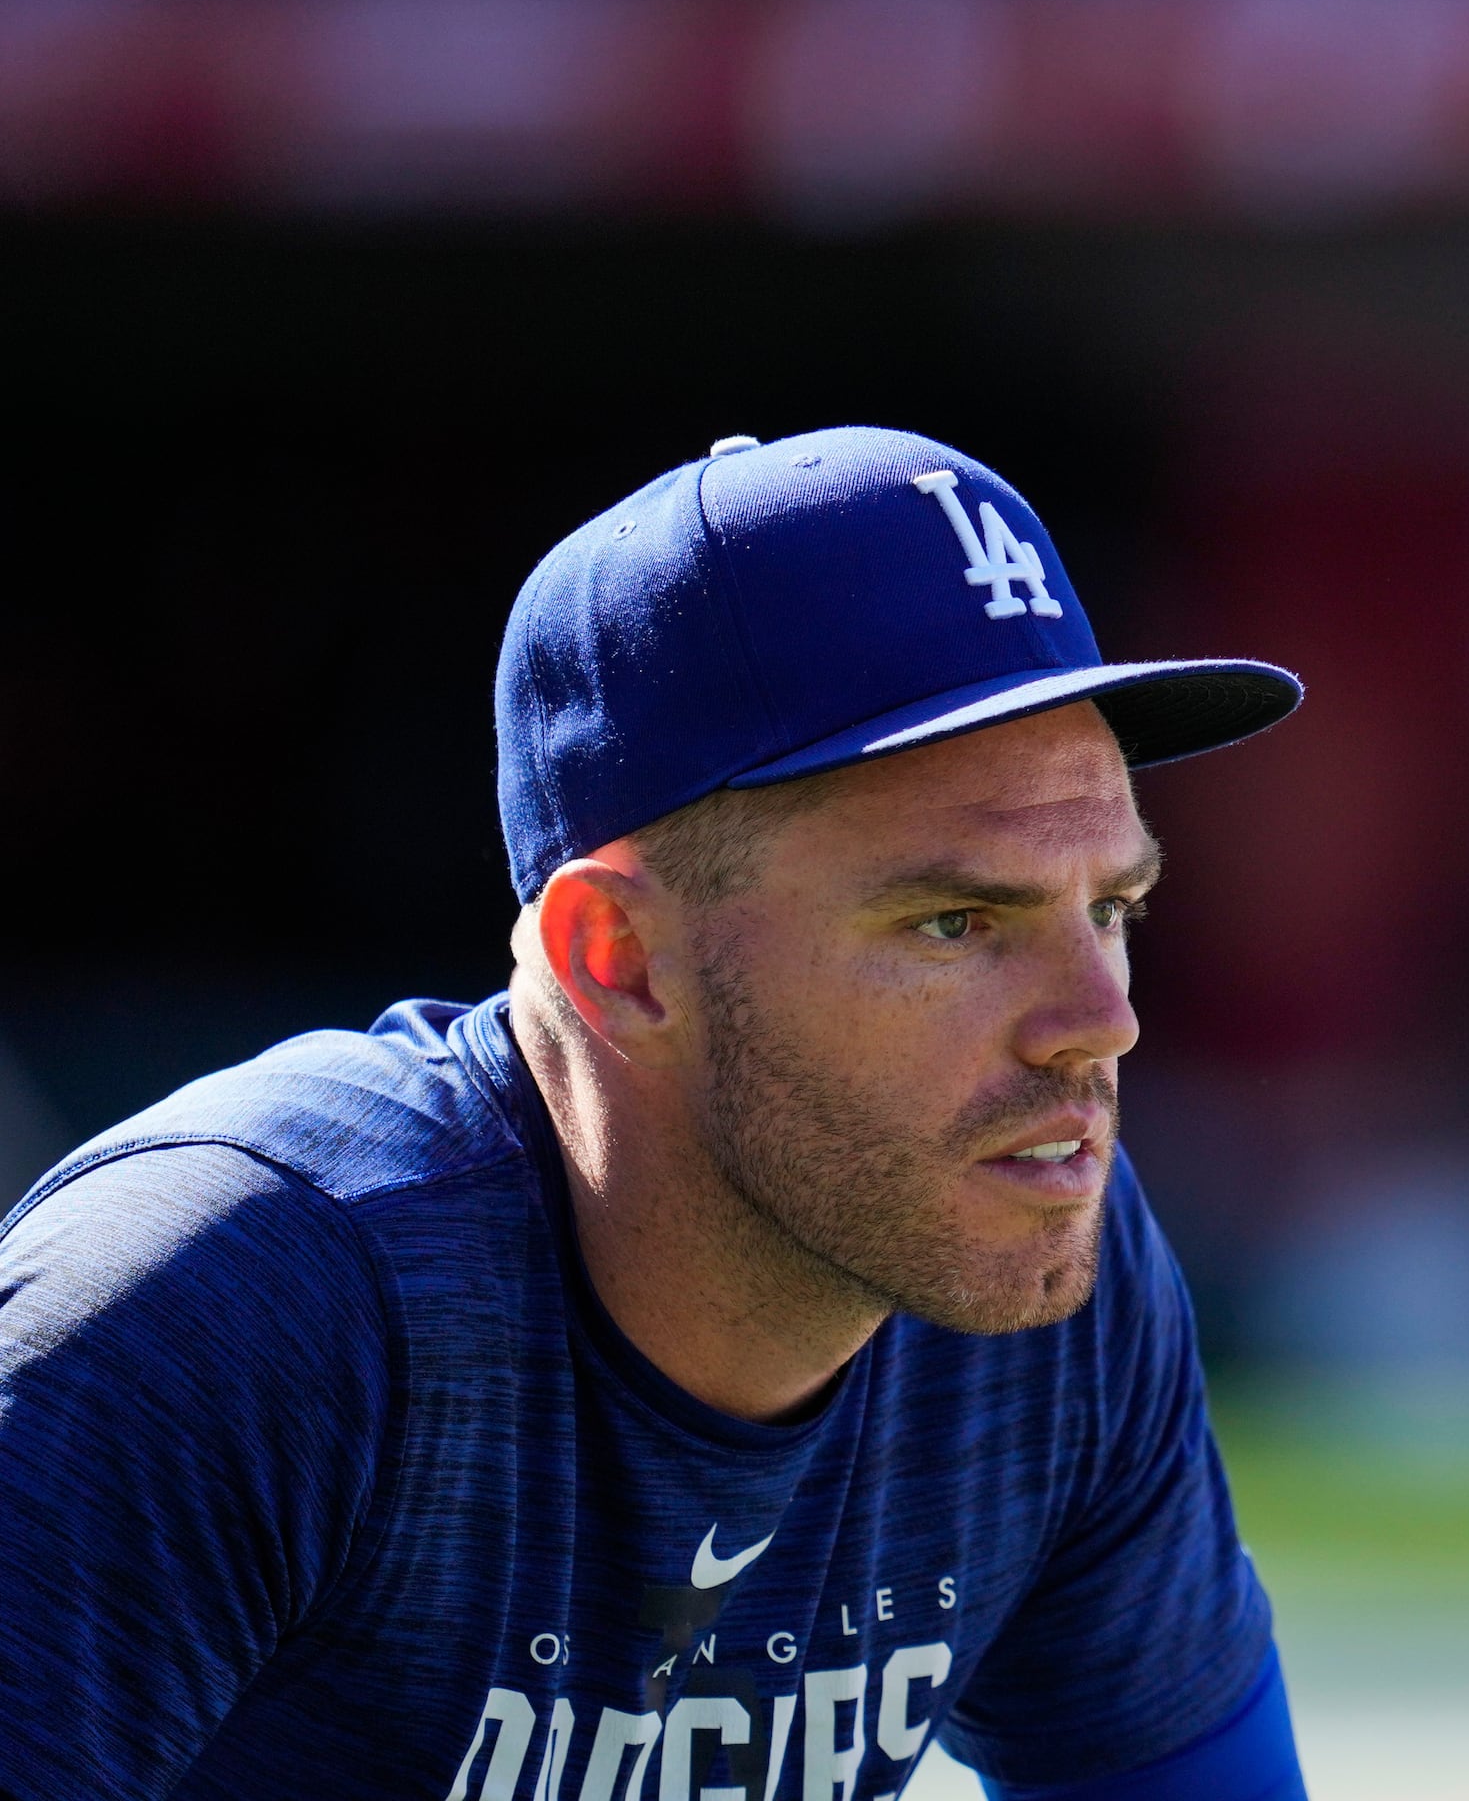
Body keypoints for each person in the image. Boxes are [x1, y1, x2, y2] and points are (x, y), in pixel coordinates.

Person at [0, 427, 1311, 1798]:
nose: (1099, 1020)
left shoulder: (1026, 1282)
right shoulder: (233, 1311)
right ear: (618, 961)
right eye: (956, 921)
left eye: (1112, 907)